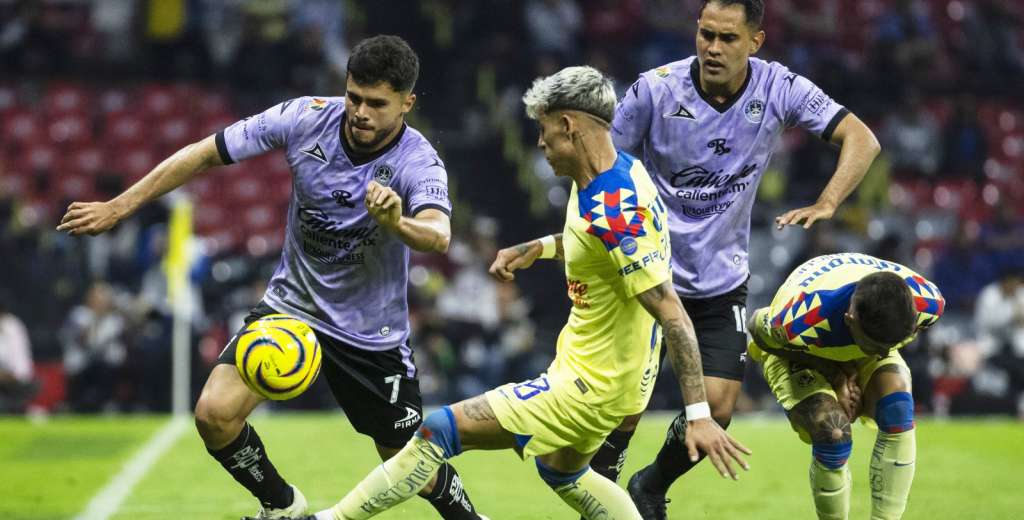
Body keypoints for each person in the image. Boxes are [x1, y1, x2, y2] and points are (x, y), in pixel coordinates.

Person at [56, 35, 484, 520]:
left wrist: (396, 223)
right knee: (213, 415)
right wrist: (119, 206)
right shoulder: (305, 117)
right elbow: (203, 153)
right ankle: (282, 507)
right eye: (354, 97)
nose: (361, 112)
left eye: (377, 103)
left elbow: (438, 234)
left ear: (407, 103)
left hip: (369, 332)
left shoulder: (418, 160)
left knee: (410, 465)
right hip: (291, 306)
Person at [299, 65, 749, 520]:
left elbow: (672, 312)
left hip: (589, 387)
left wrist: (698, 414)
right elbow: (603, 245)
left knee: (437, 430)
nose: (539, 142)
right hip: (618, 378)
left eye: (544, 128)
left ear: (569, 125)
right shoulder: (621, 174)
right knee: (562, 472)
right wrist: (539, 247)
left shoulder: (614, 206)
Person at [603, 1, 881, 516]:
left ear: (755, 42)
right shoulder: (654, 90)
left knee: (720, 409)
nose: (712, 47)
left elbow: (861, 139)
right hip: (646, 274)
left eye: (727, 38)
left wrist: (828, 202)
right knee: (621, 411)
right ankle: (598, 496)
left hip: (719, 280)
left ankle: (650, 484)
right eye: (705, 34)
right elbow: (602, 165)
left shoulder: (779, 88)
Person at [747, 253, 944, 519]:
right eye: (876, 347)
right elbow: (757, 331)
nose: (884, 353)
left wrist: (866, 356)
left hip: (853, 344)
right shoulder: (800, 317)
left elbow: (882, 347)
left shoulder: (928, 302)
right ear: (850, 318)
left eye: (890, 346)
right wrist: (836, 374)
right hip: (794, 351)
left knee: (897, 407)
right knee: (833, 430)